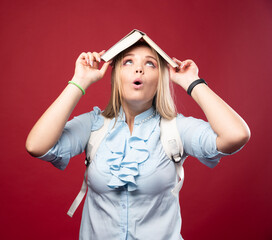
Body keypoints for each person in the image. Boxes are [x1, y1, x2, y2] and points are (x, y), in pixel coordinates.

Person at [25, 38, 250, 239]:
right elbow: (36, 146)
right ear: (116, 75)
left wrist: (192, 82)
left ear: (160, 78)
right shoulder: (93, 124)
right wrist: (80, 81)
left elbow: (236, 135)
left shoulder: (176, 128)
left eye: (150, 63)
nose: (139, 70)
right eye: (128, 62)